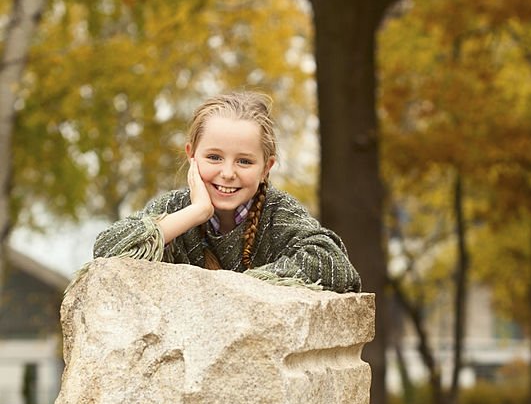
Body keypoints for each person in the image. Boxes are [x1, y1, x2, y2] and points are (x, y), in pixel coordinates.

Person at [93, 91, 361, 294]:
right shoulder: (176, 207)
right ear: (191, 155)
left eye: (244, 161)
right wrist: (196, 212)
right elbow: (107, 249)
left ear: (266, 167)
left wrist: (234, 287)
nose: (228, 173)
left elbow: (331, 262)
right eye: (214, 157)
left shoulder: (277, 212)